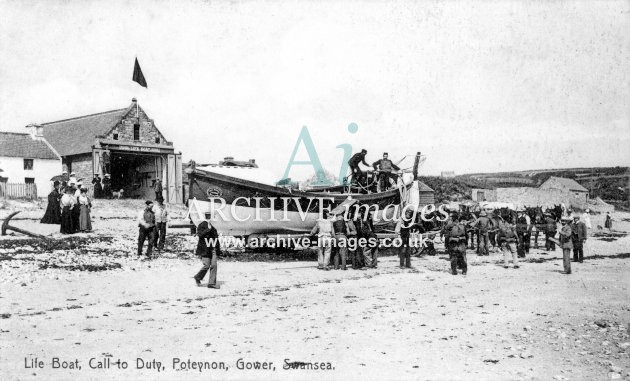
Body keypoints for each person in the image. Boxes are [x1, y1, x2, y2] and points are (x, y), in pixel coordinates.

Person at [193, 219, 221, 289]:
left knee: (214, 265)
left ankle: (211, 283)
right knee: (206, 265)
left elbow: (216, 239)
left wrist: (218, 250)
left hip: (213, 248)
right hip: (205, 250)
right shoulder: (201, 225)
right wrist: (208, 229)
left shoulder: (214, 228)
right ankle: (198, 277)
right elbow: (200, 235)